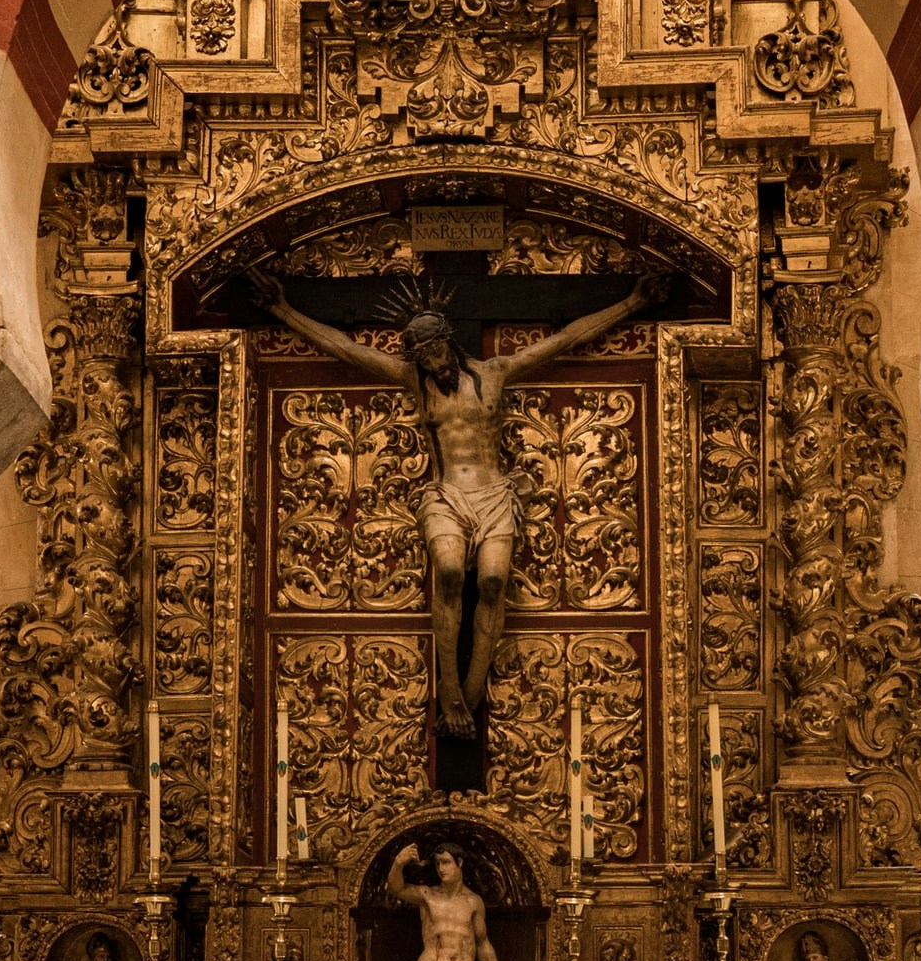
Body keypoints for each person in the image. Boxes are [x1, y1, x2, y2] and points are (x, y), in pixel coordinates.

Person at [248, 269, 659, 733]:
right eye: (422, 359)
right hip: (445, 496)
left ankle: (473, 689)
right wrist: (281, 310)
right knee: (446, 572)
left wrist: (632, 304)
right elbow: (347, 350)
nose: (432, 364)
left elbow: (562, 341)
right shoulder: (414, 380)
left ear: (450, 340)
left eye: (436, 351)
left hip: (495, 494)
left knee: (492, 582)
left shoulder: (494, 373)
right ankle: (449, 693)